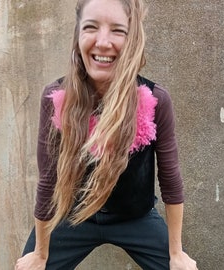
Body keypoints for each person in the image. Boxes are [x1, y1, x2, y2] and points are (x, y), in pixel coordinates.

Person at [15, 0, 198, 269]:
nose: (103, 42)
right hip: (72, 216)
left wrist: (177, 253)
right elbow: (48, 180)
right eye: (91, 27)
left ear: (133, 38)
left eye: (117, 30)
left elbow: (170, 177)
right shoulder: (56, 98)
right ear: (78, 35)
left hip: (135, 217)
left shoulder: (155, 99)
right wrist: (41, 254)